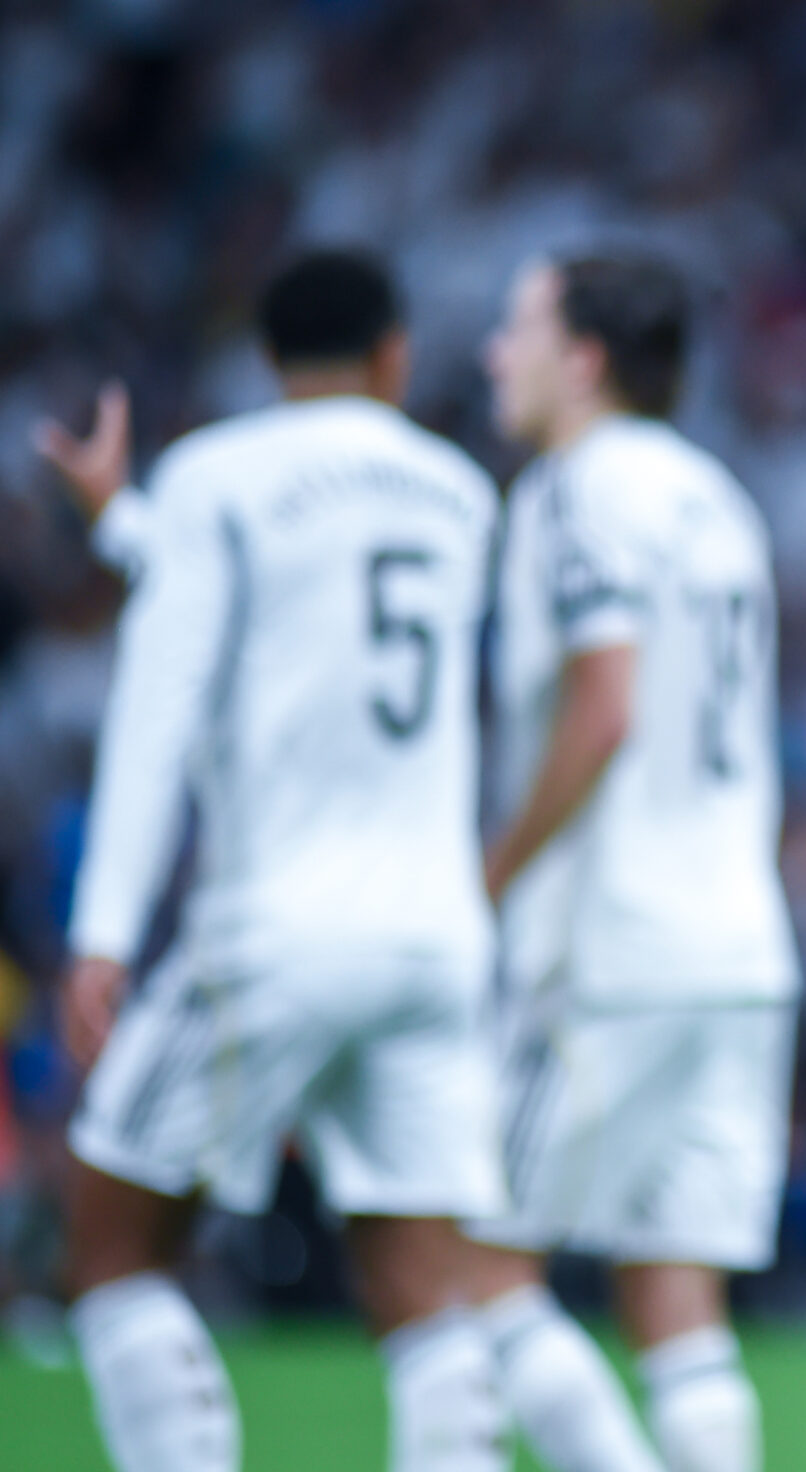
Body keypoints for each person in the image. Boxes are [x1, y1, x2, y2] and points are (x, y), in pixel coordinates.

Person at [38, 250, 508, 1472]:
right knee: (422, 1287)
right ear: (394, 356)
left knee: (108, 1248)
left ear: (267, 360)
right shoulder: (462, 495)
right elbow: (311, 619)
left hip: (277, 929)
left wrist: (102, 928)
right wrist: (127, 526)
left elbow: (164, 694)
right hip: (433, 935)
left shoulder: (218, 475)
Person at [468, 250, 797, 1472]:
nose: (499, 355)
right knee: (676, 1297)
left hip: (609, 945)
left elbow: (604, 705)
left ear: (587, 357)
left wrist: (491, 877)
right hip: (736, 950)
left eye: (520, 328)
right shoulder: (720, 496)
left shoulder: (568, 489)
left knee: (467, 1264)